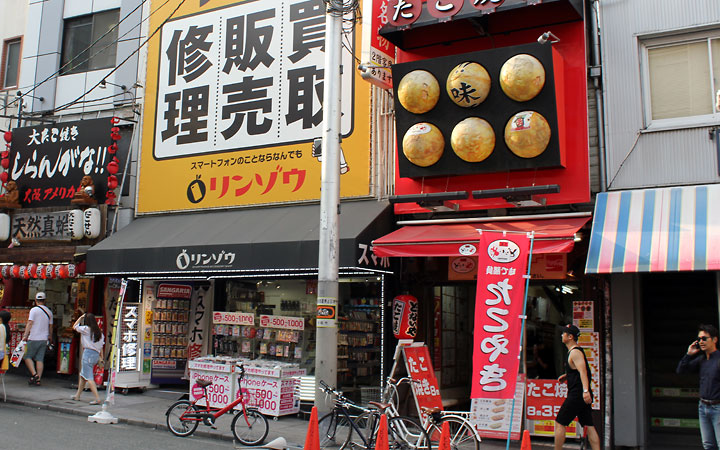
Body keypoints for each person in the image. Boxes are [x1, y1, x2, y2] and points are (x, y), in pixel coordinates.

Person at [554, 324, 600, 450]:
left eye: (564, 333)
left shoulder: (575, 352)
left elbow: (583, 371)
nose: (561, 335)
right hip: (580, 395)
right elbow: (577, 371)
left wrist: (585, 391)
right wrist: (567, 375)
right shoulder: (574, 351)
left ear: (570, 337)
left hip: (577, 395)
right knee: (589, 425)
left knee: (559, 423)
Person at [677, 324, 720, 449]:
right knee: (708, 445)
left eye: (704, 338)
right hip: (703, 407)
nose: (701, 341)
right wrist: (688, 355)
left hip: (718, 407)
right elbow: (681, 371)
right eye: (699, 339)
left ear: (714, 339)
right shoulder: (701, 360)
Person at [71, 312, 105, 404]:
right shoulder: (100, 333)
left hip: (88, 354)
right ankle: (77, 395)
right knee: (83, 376)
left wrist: (81, 317)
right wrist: (101, 358)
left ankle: (97, 398)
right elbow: (101, 346)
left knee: (89, 378)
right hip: (96, 355)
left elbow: (74, 326)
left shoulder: (86, 329)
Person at [21, 292, 53, 386]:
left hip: (34, 337)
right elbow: (50, 326)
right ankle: (38, 379)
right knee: (40, 359)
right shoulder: (49, 312)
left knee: (27, 357)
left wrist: (25, 335)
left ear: (35, 300)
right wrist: (50, 336)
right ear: (45, 300)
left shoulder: (34, 310)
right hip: (44, 339)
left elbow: (30, 323)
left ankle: (35, 375)